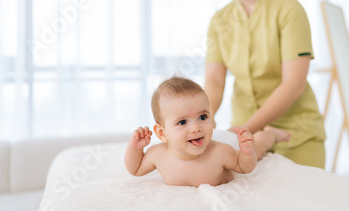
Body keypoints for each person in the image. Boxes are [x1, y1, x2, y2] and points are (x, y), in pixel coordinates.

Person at [204, 0, 326, 168]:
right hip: (244, 139)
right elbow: (214, 82)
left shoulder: (289, 10)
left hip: (296, 133)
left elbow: (293, 84)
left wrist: (242, 130)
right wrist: (201, 121)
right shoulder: (220, 21)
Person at [124, 76, 290, 187]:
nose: (196, 127)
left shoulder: (220, 152)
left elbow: (244, 167)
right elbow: (136, 169)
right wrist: (135, 148)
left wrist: (247, 152)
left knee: (257, 146)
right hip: (216, 136)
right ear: (162, 133)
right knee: (228, 133)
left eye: (203, 117)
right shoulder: (158, 155)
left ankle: (270, 134)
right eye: (182, 122)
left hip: (221, 139)